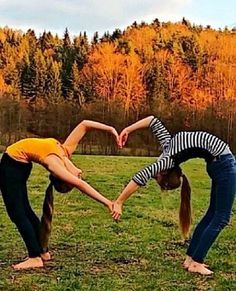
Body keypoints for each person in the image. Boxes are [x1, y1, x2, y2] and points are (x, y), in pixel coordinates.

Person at [113, 115, 236, 275]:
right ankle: (196, 262)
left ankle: (190, 259)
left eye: (154, 177)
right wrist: (120, 201)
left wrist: (127, 129)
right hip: (223, 163)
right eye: (155, 177)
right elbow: (140, 177)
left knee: (213, 214)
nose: (153, 173)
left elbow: (152, 120)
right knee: (221, 217)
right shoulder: (167, 160)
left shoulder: (167, 145)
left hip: (219, 163)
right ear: (164, 172)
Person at [0, 120, 119, 270]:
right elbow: (84, 125)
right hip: (18, 164)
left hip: (12, 164)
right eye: (78, 176)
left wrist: (108, 202)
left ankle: (35, 258)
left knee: (17, 213)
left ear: (66, 178)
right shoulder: (64, 151)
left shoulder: (55, 164)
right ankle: (42, 252)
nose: (80, 174)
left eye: (77, 177)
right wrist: (111, 129)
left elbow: (81, 185)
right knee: (24, 210)